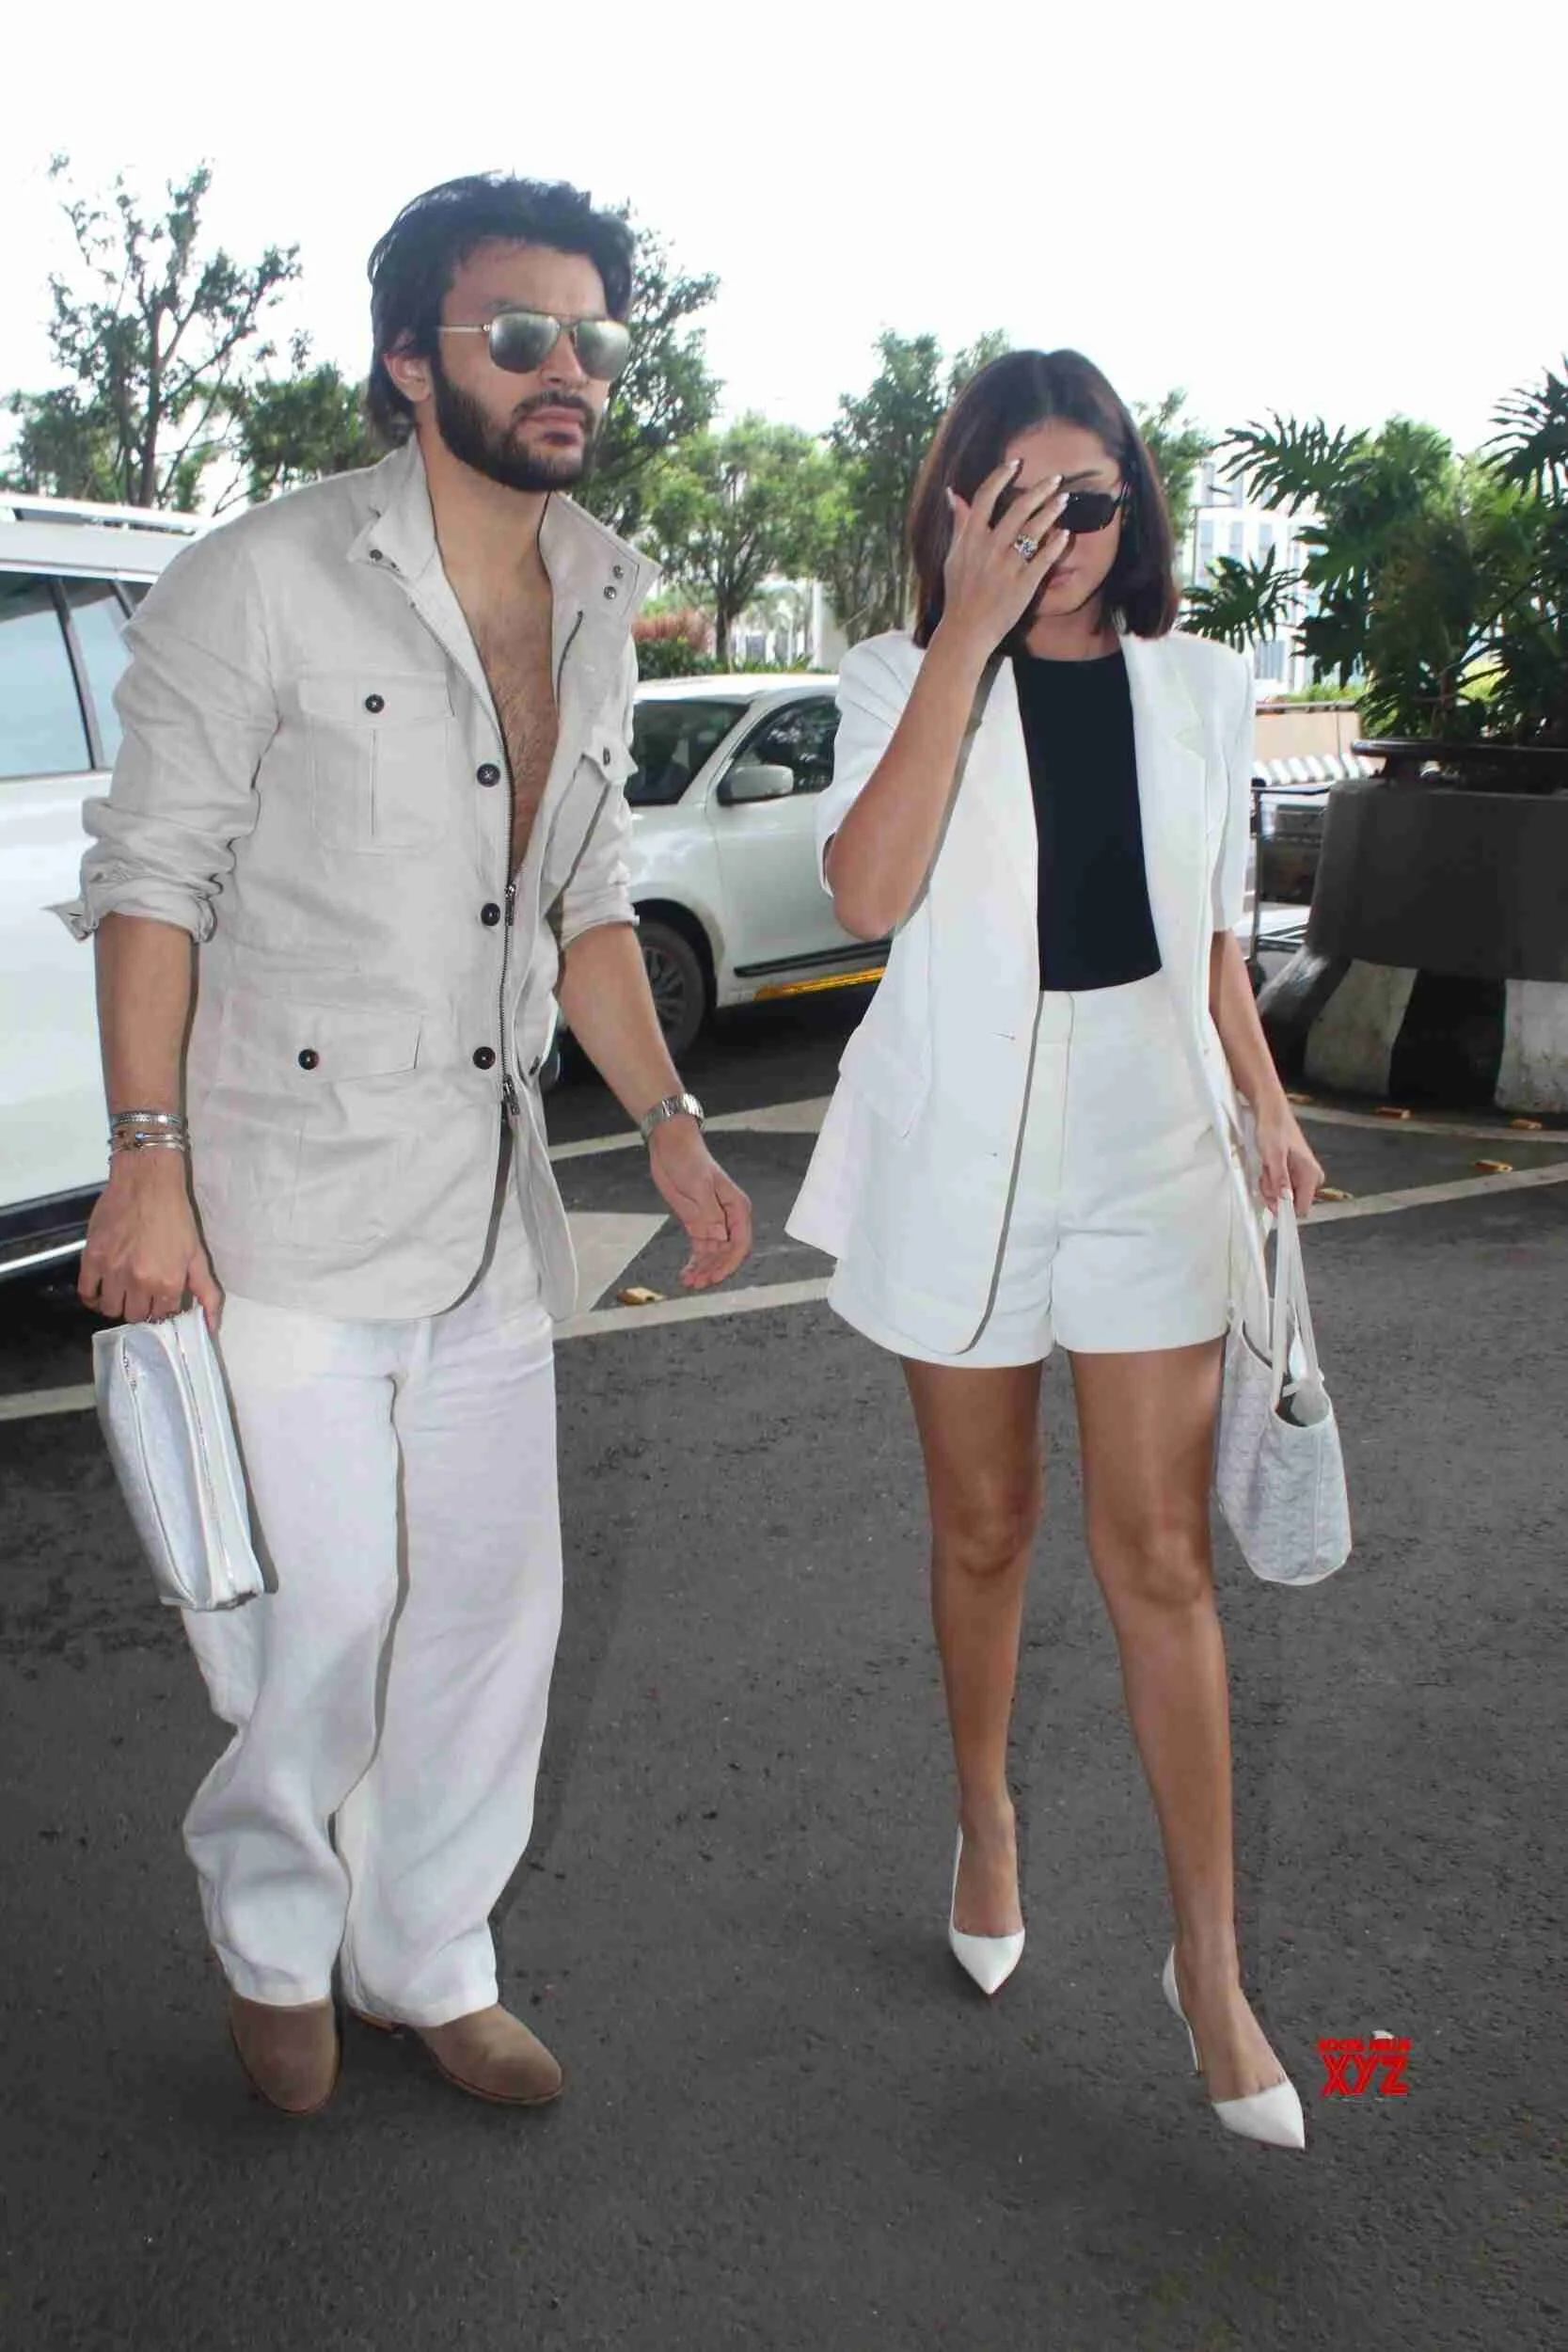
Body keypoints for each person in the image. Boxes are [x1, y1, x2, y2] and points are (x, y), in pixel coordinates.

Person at [59, 173, 752, 2117]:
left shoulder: (597, 594)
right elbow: (153, 881)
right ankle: (276, 1931)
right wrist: (143, 1156)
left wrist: (673, 1128)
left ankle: (427, 1951)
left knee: (489, 1613)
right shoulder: (259, 578)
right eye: (518, 332)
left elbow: (588, 903)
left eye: (592, 336)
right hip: (280, 1187)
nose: (565, 366)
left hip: (490, 1202)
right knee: (327, 1608)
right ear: (409, 361)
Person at [786, 350, 1323, 2150]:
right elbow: (868, 893)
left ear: (1134, 507)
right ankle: (987, 1817)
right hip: (964, 1147)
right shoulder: (894, 678)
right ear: (960, 505)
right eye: (1022, 499)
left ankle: (1210, 1968)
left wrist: (1266, 1108)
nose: (1064, 531)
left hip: (1151, 1145)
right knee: (986, 1528)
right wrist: (968, 632)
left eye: (1092, 497)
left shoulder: (1206, 687)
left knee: (1160, 1556)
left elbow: (1215, 943)